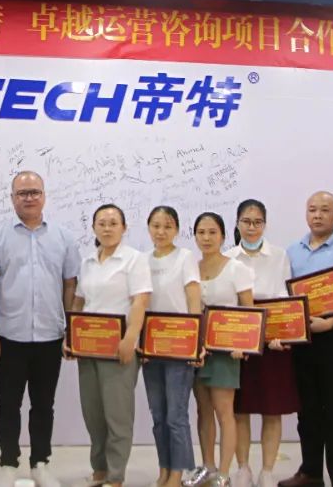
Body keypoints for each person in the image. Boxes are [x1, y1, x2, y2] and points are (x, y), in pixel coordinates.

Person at [0, 171, 80, 487]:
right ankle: (8, 464)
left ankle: (40, 463)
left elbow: (70, 285)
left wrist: (71, 330)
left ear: (44, 196)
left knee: (43, 405)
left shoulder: (64, 238)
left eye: (34, 191)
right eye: (22, 193)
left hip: (50, 335)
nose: (29, 197)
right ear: (12, 198)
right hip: (9, 335)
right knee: (8, 404)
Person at [280, 191, 333, 487]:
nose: (318, 215)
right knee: (307, 409)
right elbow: (285, 295)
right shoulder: (292, 250)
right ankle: (311, 472)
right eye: (312, 209)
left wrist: (328, 322)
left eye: (325, 210)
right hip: (303, 338)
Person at [69, 203, 151, 487]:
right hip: (87, 348)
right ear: (93, 228)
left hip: (119, 349)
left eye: (113, 223)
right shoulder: (88, 262)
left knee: (117, 416)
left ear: (124, 228)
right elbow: (79, 301)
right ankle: (99, 470)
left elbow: (140, 301)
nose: (107, 228)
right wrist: (70, 336)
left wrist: (131, 338)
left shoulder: (134, 260)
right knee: (93, 414)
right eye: (101, 223)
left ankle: (115, 477)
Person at [226, 200, 296, 487]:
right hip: (240, 343)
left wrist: (282, 334)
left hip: (273, 342)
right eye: (246, 221)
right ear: (237, 223)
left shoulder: (280, 256)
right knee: (239, 409)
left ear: (265, 224)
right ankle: (243, 468)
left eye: (257, 222)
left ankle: (267, 471)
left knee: (272, 409)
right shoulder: (228, 257)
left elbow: (286, 298)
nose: (252, 227)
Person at [186, 212, 254, 487]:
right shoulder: (191, 268)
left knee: (225, 412)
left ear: (223, 236)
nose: (206, 238)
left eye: (212, 232)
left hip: (226, 353)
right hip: (198, 352)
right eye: (201, 232)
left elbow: (249, 311)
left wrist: (243, 345)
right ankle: (208, 467)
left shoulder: (237, 268)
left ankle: (224, 474)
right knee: (203, 411)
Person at [141, 206, 201, 487]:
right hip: (150, 348)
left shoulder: (185, 257)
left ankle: (180, 470)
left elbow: (193, 301)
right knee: (158, 415)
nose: (161, 232)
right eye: (156, 226)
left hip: (180, 347)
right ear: (148, 228)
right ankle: (164, 466)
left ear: (176, 229)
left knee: (176, 415)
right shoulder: (142, 260)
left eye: (167, 226)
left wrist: (196, 342)